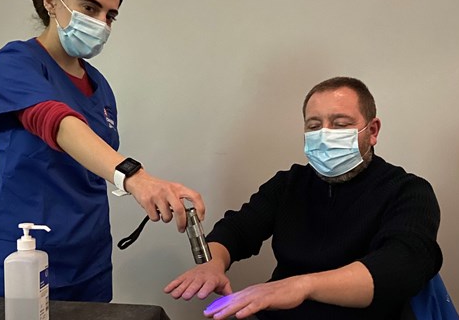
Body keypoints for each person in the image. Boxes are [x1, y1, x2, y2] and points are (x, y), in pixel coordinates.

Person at [0, 0, 205, 303]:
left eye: (110, 15)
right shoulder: (15, 62)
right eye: (90, 8)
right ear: (51, 1)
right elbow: (56, 121)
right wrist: (136, 178)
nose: (100, 23)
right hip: (24, 257)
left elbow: (85, 161)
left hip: (88, 257)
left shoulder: (99, 87)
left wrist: (25, 183)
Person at [164, 77, 442, 319]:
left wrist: (301, 286)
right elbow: (237, 229)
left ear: (372, 131)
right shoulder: (288, 184)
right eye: (314, 126)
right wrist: (213, 264)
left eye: (340, 123)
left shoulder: (408, 191)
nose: (325, 135)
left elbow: (401, 266)